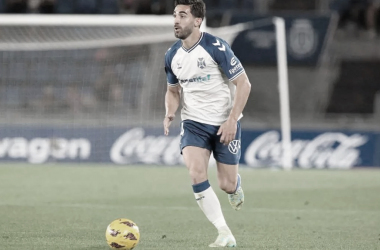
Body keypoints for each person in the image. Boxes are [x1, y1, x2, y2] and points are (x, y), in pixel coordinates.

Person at [163, 0, 251, 247]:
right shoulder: (172, 55)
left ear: (197, 20)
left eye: (182, 15)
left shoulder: (216, 47)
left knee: (226, 184)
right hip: (193, 123)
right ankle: (224, 232)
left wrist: (232, 119)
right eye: (174, 15)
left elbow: (244, 84)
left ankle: (235, 187)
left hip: (225, 123)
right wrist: (170, 112)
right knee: (196, 173)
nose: (176, 20)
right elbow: (172, 90)